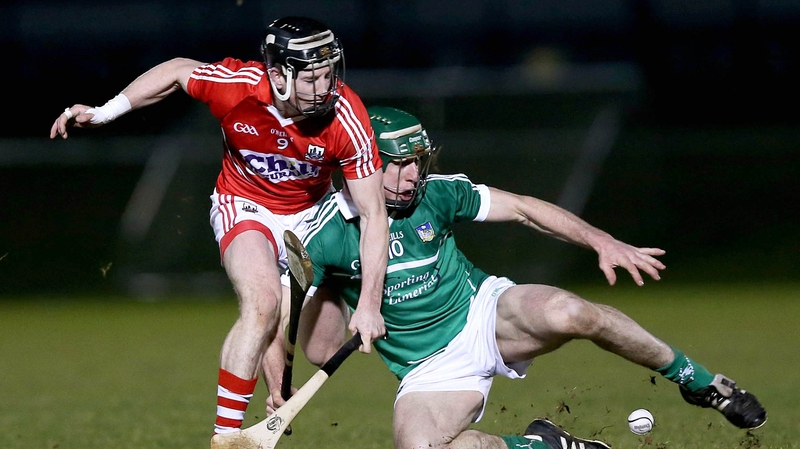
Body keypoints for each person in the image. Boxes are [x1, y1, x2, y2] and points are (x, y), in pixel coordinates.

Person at [286, 106, 767, 449]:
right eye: (401, 164)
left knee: (571, 311)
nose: (413, 175)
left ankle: (698, 381)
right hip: (429, 369)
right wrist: (315, 297)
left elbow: (521, 209)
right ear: (367, 164)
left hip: (483, 314)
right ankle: (546, 444)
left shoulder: (437, 194)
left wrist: (601, 241)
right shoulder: (325, 234)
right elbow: (317, 348)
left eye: (418, 161)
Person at [49, 17, 389, 437]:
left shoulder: (346, 116)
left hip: (312, 218)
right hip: (243, 204)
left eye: (329, 74)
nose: (325, 88)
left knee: (322, 349)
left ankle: (294, 337)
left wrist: (371, 304)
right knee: (261, 301)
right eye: (311, 78)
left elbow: (375, 214)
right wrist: (105, 113)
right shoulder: (238, 85)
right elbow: (175, 70)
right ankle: (226, 438)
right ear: (279, 74)